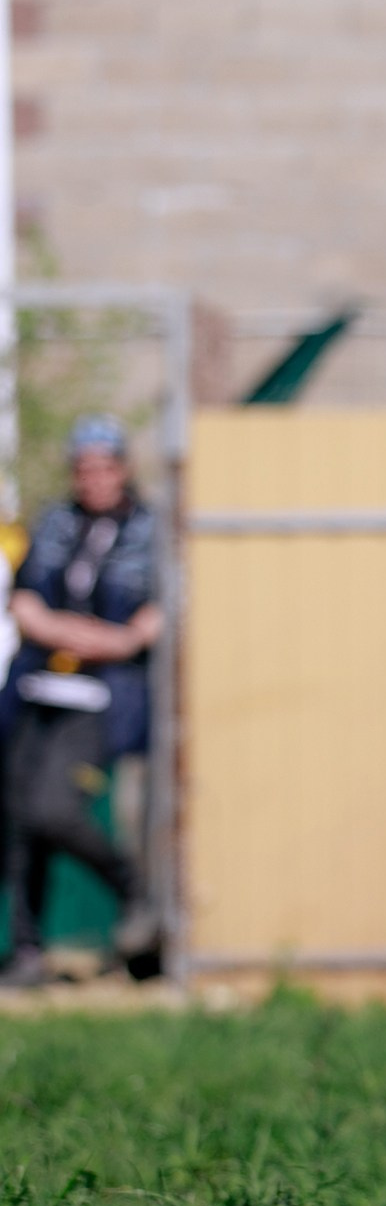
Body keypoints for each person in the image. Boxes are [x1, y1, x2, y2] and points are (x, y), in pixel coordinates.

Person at [0, 415, 162, 987]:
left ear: (123, 469)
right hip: (35, 689)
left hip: (102, 698)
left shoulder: (150, 532)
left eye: (104, 466)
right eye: (84, 467)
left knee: (53, 811)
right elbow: (26, 605)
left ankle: (133, 894)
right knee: (18, 821)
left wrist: (77, 632)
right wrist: (95, 636)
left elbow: (146, 625)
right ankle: (26, 952)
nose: (93, 477)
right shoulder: (55, 525)